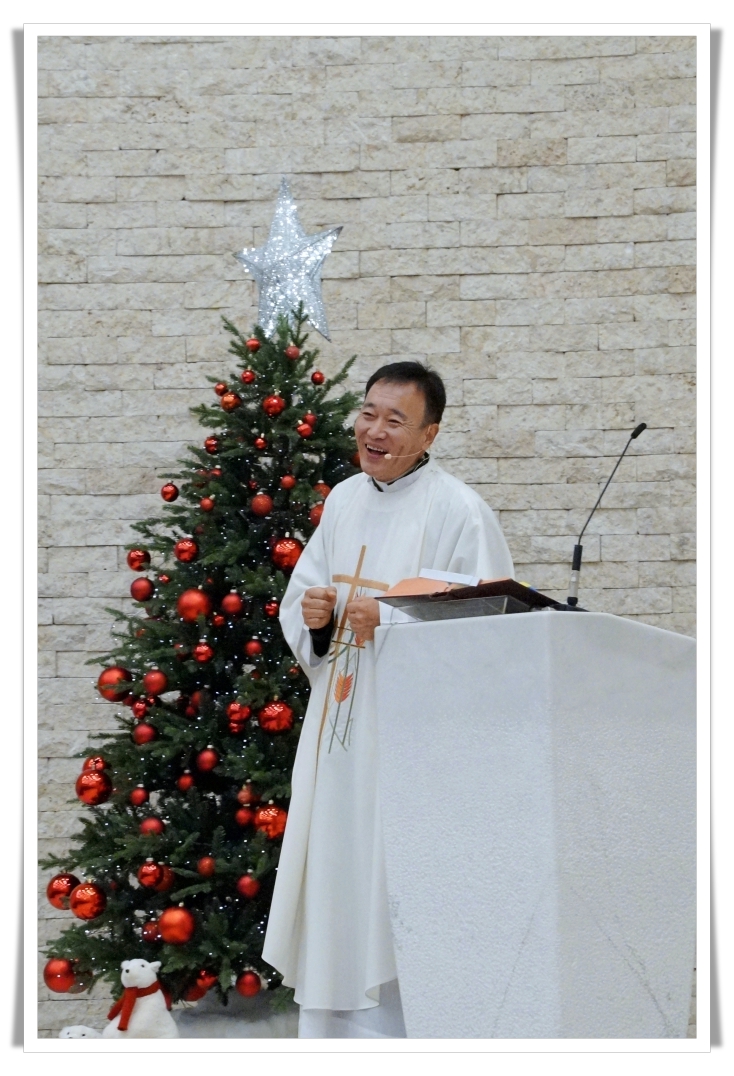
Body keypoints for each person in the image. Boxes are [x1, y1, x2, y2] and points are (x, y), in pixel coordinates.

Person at [262, 361, 514, 1038]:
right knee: (336, 867)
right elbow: (305, 595)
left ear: (430, 433)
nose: (374, 430)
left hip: (413, 744)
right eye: (368, 413)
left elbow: (491, 624)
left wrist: (394, 620)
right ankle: (332, 1037)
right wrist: (316, 618)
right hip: (338, 729)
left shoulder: (459, 511)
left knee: (396, 880)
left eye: (395, 420)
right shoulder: (344, 500)